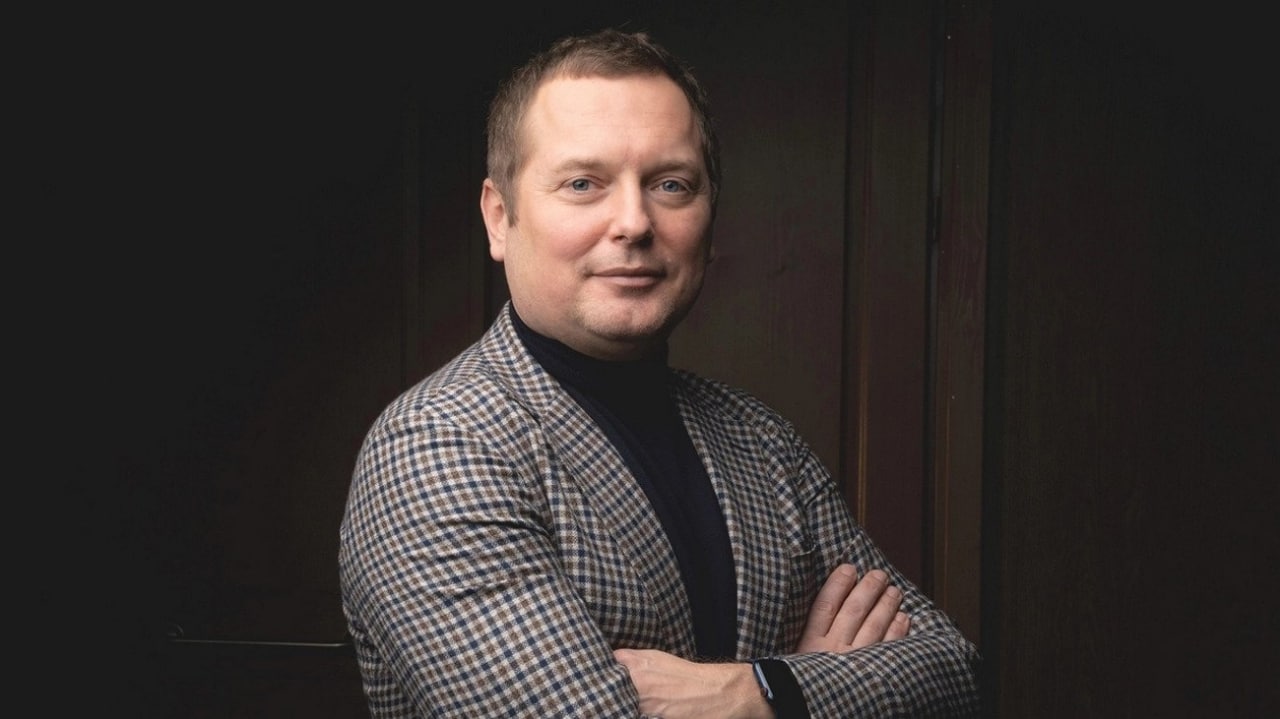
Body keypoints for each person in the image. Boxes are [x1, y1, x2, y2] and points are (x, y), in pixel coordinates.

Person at [339, 28, 980, 718]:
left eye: (670, 184)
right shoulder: (437, 444)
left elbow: (956, 674)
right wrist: (827, 690)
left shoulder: (761, 441)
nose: (634, 222)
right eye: (583, 184)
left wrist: (760, 693)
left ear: (710, 215)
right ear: (500, 218)